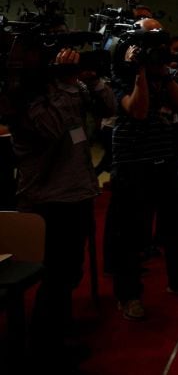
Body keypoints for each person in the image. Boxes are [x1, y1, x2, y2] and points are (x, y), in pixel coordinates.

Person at [9, 46, 116, 371]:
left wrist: (93, 79)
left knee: (69, 272)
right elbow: (53, 129)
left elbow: (110, 108)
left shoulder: (65, 89)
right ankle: (45, 350)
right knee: (55, 277)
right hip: (49, 201)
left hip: (76, 193)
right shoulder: (27, 99)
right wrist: (61, 82)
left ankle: (59, 329)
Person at [106, 18, 178, 321]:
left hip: (166, 158)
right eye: (149, 41)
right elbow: (138, 109)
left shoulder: (168, 71)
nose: (156, 48)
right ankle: (128, 295)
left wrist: (162, 73)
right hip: (133, 162)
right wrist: (141, 73)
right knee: (131, 233)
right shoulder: (121, 72)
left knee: (176, 225)